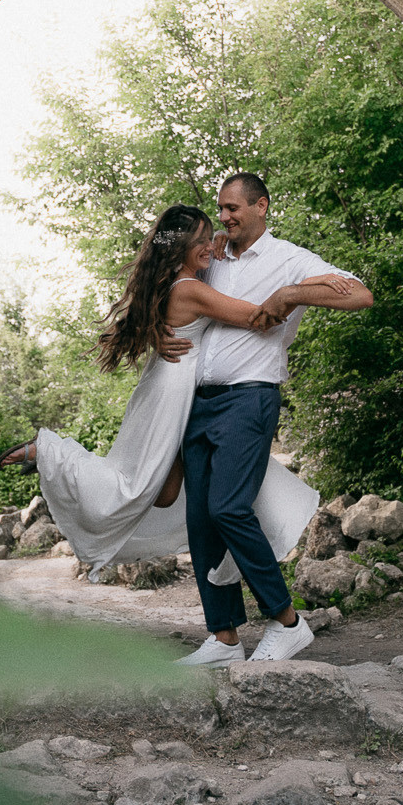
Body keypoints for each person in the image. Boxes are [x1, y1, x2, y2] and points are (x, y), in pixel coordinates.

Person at [0, 204, 336, 604]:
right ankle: (49, 451)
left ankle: (229, 562)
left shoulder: (178, 278)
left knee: (167, 493)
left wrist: (218, 245)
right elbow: (259, 317)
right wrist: (301, 290)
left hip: (177, 388)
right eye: (202, 240)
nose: (210, 245)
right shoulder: (189, 287)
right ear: (182, 246)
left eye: (211, 237)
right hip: (171, 394)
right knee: (137, 486)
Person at [158, 172, 373, 666]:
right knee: (200, 519)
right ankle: (224, 638)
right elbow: (167, 296)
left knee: (228, 507)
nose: (226, 217)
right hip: (195, 401)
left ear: (262, 207)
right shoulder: (209, 256)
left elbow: (360, 294)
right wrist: (154, 336)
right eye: (221, 208)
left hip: (249, 398)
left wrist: (292, 294)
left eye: (234, 208)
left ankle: (288, 623)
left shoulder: (291, 259)